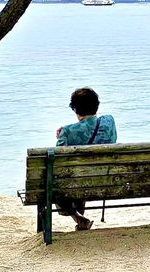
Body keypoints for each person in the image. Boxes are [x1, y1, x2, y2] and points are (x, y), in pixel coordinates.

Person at [55, 87, 117, 230]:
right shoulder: (109, 121)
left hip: (79, 183)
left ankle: (76, 216)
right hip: (106, 181)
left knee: (59, 179)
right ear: (97, 105)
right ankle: (79, 218)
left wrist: (62, 135)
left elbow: (58, 162)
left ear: (75, 109)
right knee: (84, 172)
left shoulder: (68, 132)